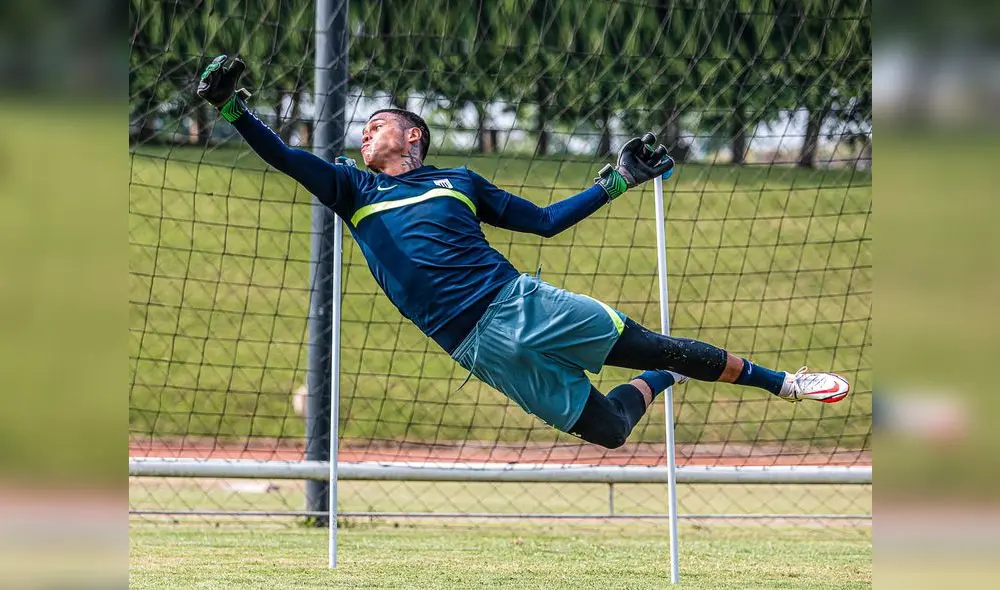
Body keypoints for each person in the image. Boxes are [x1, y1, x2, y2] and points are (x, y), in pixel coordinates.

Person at [196, 55, 849, 449]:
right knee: (610, 431)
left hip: (518, 302)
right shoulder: (352, 188)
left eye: (378, 124)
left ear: (413, 136)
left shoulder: (458, 182)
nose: (365, 135)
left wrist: (618, 180)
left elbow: (543, 223)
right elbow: (281, 155)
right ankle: (663, 381)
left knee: (656, 345)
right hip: (473, 346)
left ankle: (786, 383)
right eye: (363, 130)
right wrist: (230, 108)